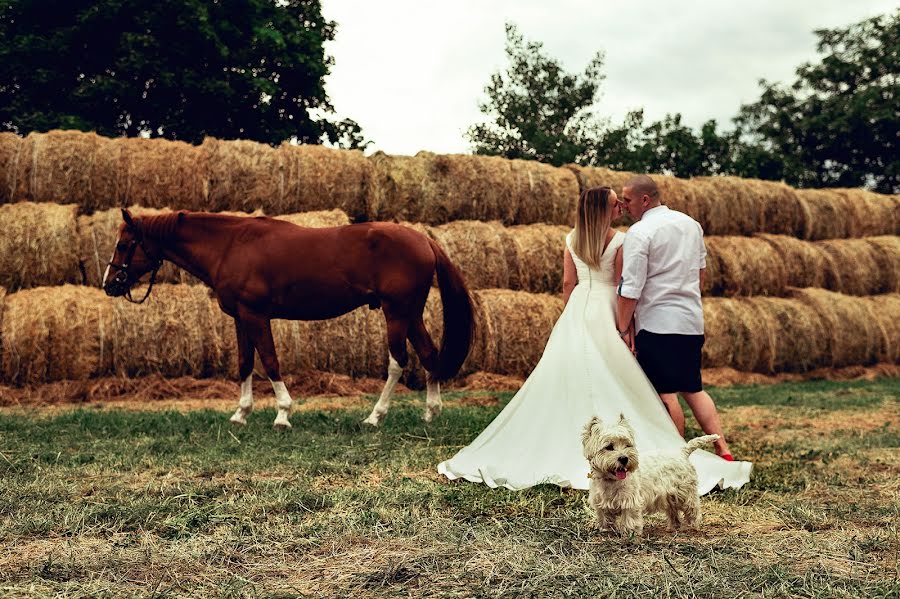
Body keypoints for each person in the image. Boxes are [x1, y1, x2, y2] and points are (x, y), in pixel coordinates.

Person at [438, 186, 750, 493]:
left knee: (569, 377)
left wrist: (568, 318)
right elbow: (621, 284)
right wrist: (626, 327)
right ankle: (660, 449)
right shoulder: (620, 241)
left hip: (579, 307)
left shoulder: (572, 239)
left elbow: (567, 283)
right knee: (619, 377)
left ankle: (582, 443)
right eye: (616, 205)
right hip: (607, 308)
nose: (621, 209)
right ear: (604, 211)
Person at [616, 174, 734, 459]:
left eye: (628, 200)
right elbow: (700, 272)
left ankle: (674, 455)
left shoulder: (640, 232)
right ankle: (723, 449)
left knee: (664, 394)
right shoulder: (690, 224)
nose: (624, 206)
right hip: (690, 321)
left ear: (645, 200)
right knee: (693, 388)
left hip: (657, 323)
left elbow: (631, 287)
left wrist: (622, 328)